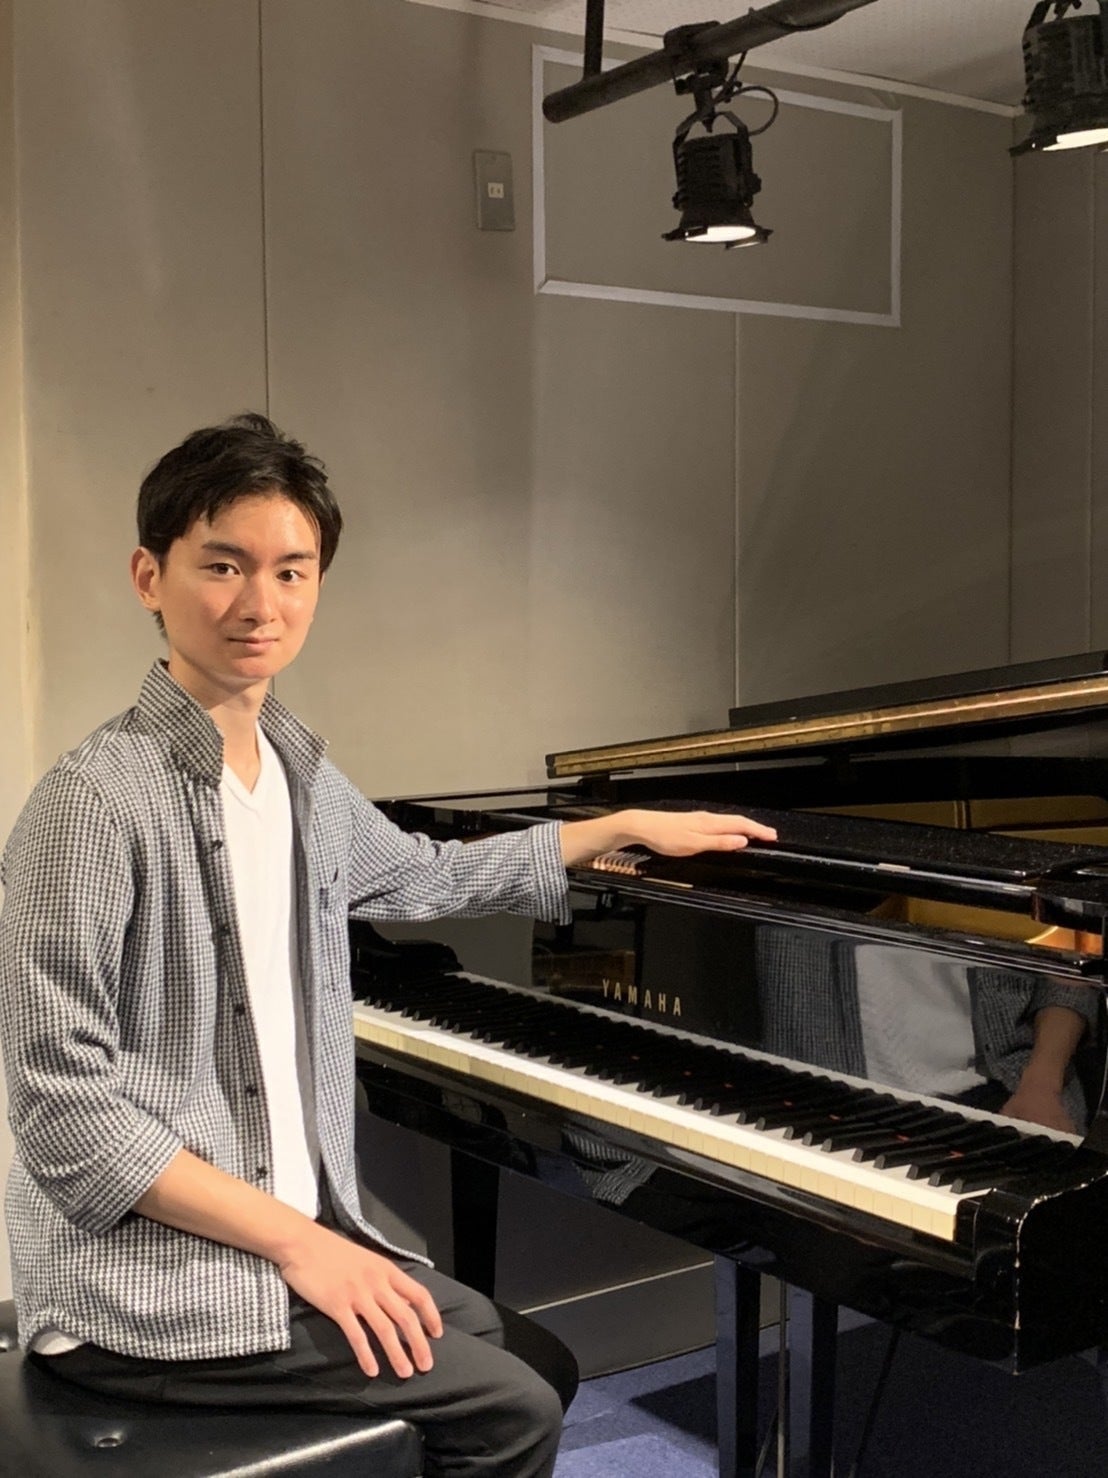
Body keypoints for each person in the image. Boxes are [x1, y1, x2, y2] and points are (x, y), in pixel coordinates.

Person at [0, 413, 776, 1477]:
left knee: (538, 1359)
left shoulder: (296, 772)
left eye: (291, 570)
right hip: (146, 1283)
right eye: (222, 565)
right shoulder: (92, 804)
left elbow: (426, 874)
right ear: (150, 576)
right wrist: (301, 1244)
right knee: (511, 1412)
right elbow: (63, 1111)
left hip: (279, 1232)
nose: (259, 603)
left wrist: (610, 830)